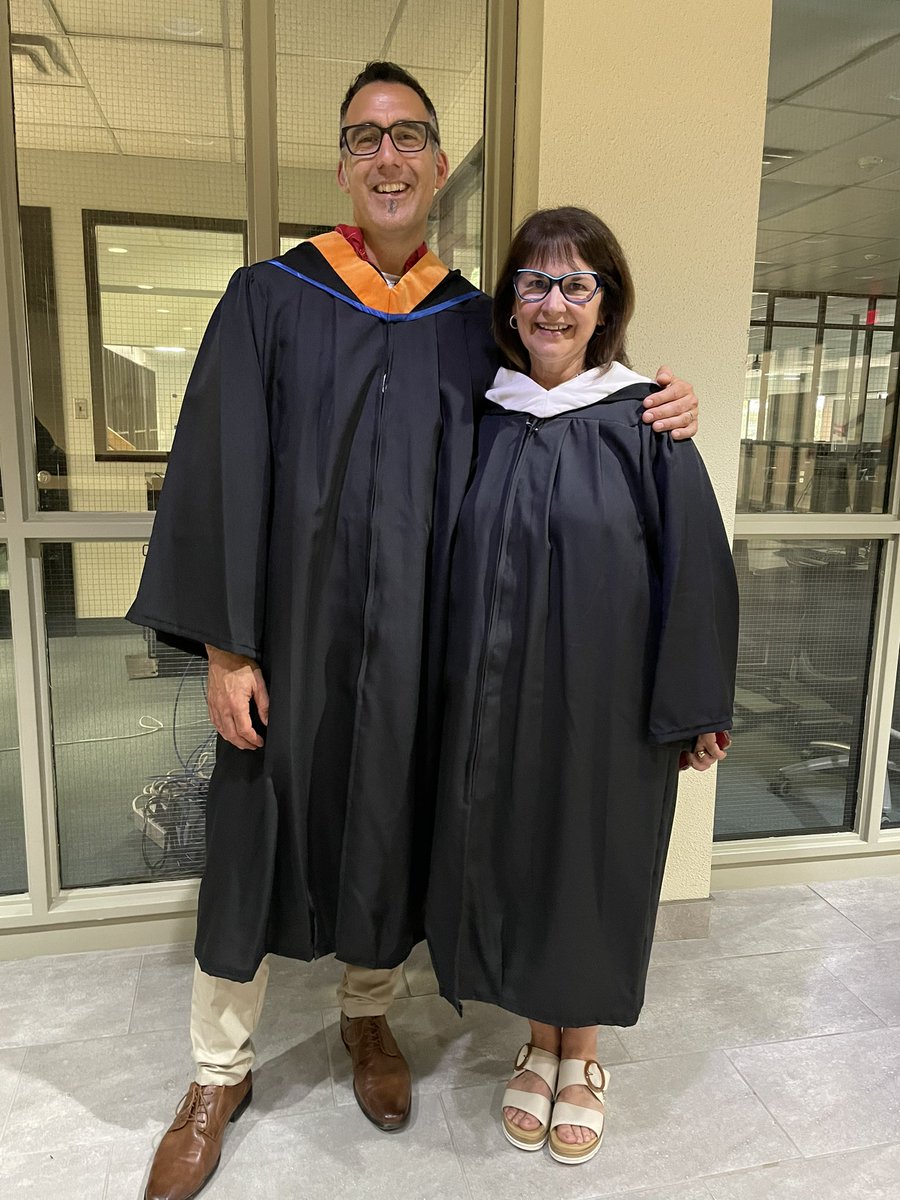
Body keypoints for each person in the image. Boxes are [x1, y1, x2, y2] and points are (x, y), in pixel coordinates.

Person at [127, 64, 700, 1200]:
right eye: (364, 138)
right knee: (256, 838)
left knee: (389, 822)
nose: (387, 157)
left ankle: (367, 1016)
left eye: (408, 138)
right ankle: (216, 1072)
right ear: (343, 165)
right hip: (290, 646)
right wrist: (229, 651)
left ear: (439, 166)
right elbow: (218, 472)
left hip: (419, 652)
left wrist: (659, 406)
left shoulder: (474, 324)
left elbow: (555, 416)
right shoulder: (268, 299)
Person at [425, 206, 738, 1166]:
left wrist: (693, 705)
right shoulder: (483, 416)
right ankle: (536, 1039)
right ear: (510, 301)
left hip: (610, 703)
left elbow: (696, 568)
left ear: (606, 303)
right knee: (521, 850)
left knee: (594, 859)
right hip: (498, 695)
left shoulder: (646, 421)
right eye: (533, 282)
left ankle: (584, 1051)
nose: (552, 303)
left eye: (575, 284)